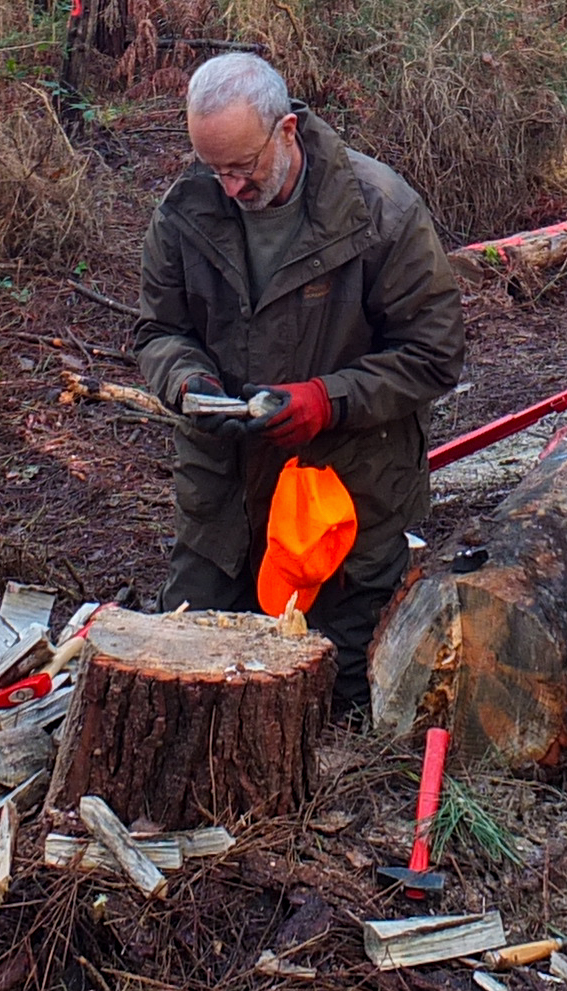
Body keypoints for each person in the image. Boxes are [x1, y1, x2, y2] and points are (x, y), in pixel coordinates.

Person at [136, 54, 465, 711]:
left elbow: (434, 354)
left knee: (329, 696)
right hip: (224, 499)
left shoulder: (379, 212)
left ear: (286, 130)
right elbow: (158, 332)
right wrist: (187, 380)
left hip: (342, 500)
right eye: (215, 169)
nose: (230, 187)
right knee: (183, 676)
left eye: (242, 167)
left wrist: (327, 401)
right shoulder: (185, 211)